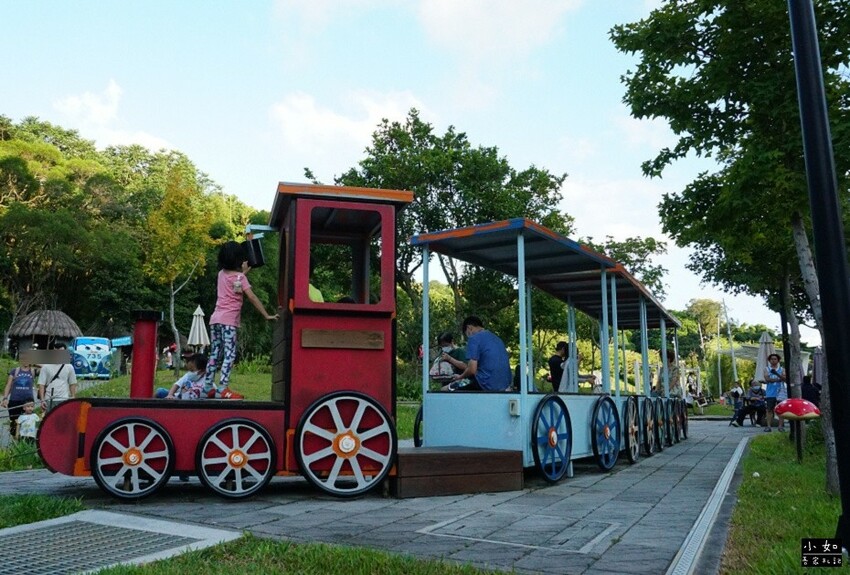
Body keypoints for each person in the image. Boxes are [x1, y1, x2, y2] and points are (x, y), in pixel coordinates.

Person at [203, 241, 279, 399]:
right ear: (238, 259)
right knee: (229, 354)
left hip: (215, 319)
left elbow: (234, 287)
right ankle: (223, 388)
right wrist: (266, 315)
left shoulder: (221, 274)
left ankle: (208, 387)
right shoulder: (239, 278)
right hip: (229, 321)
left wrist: (242, 275)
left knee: (215, 353)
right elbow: (251, 296)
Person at [445, 316, 511, 392]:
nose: (468, 336)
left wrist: (460, 377)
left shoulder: (474, 338)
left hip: (484, 383)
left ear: (469, 328)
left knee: (446, 389)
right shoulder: (497, 339)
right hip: (504, 384)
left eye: (467, 334)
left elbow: (472, 370)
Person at [1, 357, 36, 438]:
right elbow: (8, 385)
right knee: (14, 423)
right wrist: (5, 398)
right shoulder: (15, 371)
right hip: (15, 400)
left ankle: (24, 443)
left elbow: (46, 367)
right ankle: (15, 443)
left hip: (28, 402)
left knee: (27, 423)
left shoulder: (33, 371)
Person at [37, 343, 77, 412]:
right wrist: (42, 400)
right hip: (49, 399)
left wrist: (73, 397)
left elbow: (72, 383)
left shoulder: (69, 367)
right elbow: (41, 384)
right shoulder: (46, 367)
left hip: (64, 398)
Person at [763, 353, 786, 432]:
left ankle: (780, 426)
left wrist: (776, 374)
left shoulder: (782, 369)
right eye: (772, 359)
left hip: (780, 392)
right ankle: (768, 426)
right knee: (769, 409)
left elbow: (784, 378)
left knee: (781, 410)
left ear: (778, 360)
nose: (773, 360)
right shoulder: (767, 369)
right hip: (770, 392)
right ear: (769, 360)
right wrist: (779, 379)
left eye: (775, 359)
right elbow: (767, 379)